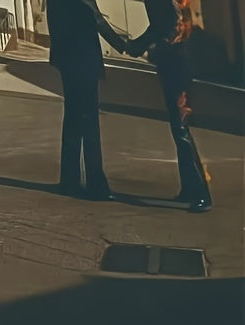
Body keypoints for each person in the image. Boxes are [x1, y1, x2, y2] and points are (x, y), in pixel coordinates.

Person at [127, 1, 212, 212]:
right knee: (178, 128)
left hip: (176, 62)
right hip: (172, 61)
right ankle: (190, 188)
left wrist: (142, 44)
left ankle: (202, 194)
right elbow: (158, 25)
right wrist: (141, 43)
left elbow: (171, 26)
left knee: (181, 128)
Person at [47, 0, 127, 200]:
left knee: (73, 119)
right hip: (82, 57)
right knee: (89, 121)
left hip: (67, 58)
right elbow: (96, 18)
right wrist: (123, 45)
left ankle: (69, 181)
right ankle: (96, 185)